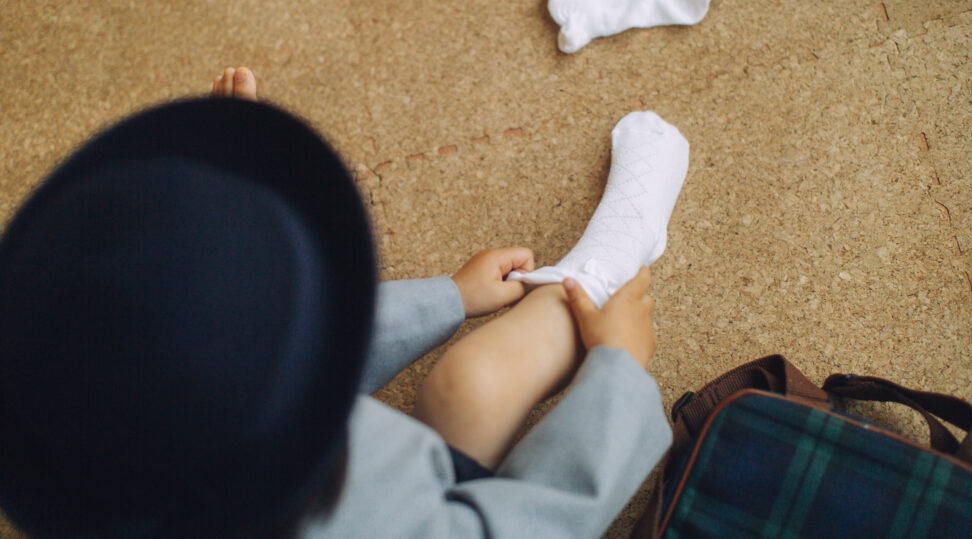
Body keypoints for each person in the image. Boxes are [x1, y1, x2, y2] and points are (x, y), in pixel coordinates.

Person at [0, 67, 689, 538]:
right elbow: (527, 524)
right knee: (482, 375)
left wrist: (450, 296)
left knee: (465, 385)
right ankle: (604, 270)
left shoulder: (105, 464)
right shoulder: (366, 517)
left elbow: (224, 352)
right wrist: (618, 376)